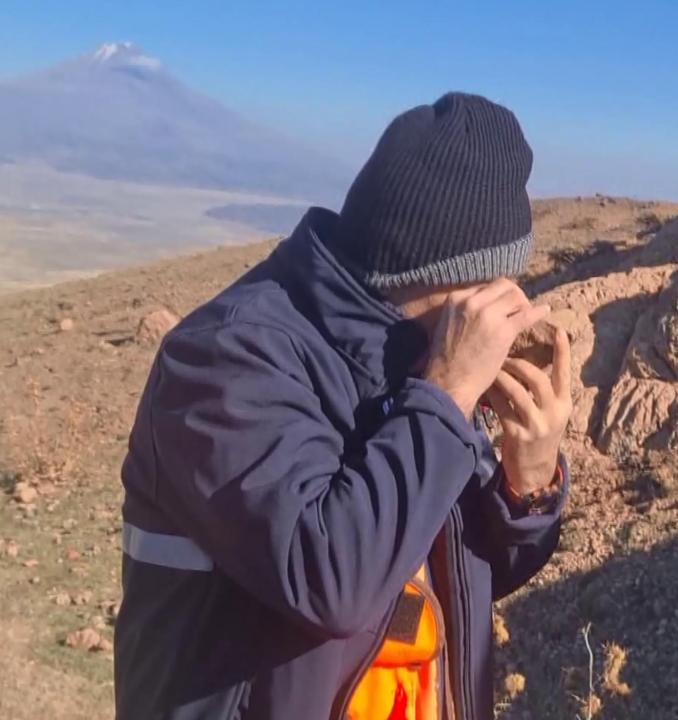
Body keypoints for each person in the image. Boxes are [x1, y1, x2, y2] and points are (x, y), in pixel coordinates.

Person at [114, 93, 570, 720]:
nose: (510, 300)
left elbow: (466, 573)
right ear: (459, 279)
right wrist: (445, 397)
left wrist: (528, 484)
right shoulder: (225, 360)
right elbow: (332, 583)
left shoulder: (416, 363)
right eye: (499, 280)